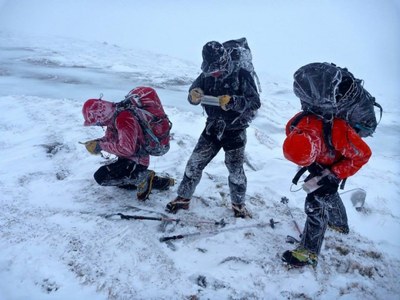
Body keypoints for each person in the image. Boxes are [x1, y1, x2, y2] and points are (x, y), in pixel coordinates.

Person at [165, 41, 261, 218]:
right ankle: (183, 198)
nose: (214, 74)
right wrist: (193, 96)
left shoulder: (241, 74)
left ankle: (238, 204)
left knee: (235, 170)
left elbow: (255, 102)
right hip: (212, 128)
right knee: (194, 164)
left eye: (216, 70)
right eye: (211, 70)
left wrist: (233, 101)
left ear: (224, 61)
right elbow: (192, 93)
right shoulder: (206, 74)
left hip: (235, 130)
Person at [281, 103, 372, 267]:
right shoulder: (295, 124)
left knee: (314, 203)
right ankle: (339, 225)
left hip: (337, 164)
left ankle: (309, 253)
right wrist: (311, 166)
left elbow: (362, 155)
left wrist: (335, 174)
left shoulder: (337, 131)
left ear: (314, 148)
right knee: (325, 194)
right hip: (319, 163)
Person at [81, 88, 174, 201]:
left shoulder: (123, 119)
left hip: (137, 161)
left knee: (101, 177)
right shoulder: (115, 115)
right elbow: (110, 137)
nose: (98, 124)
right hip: (130, 158)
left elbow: (126, 149)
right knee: (122, 184)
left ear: (100, 115)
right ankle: (155, 182)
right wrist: (98, 142)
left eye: (97, 122)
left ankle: (142, 176)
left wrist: (101, 146)